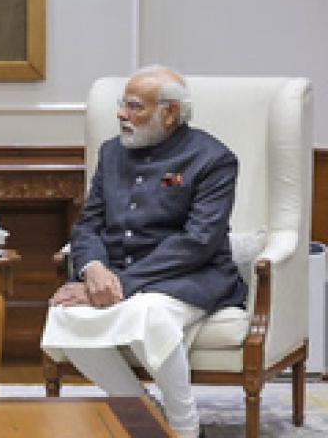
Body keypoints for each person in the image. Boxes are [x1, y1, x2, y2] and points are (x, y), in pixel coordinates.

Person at [41, 65, 247, 438]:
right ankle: (145, 414)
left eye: (135, 106)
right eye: (123, 104)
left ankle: (186, 429)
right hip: (118, 275)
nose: (122, 114)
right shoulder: (111, 152)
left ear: (170, 113)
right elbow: (88, 225)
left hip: (190, 278)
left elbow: (198, 241)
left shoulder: (214, 159)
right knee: (64, 317)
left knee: (151, 314)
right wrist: (92, 270)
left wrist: (115, 283)